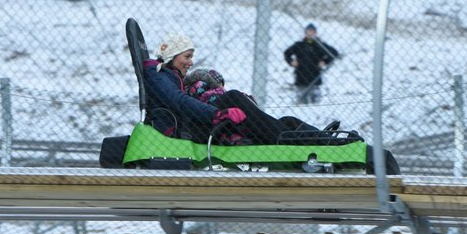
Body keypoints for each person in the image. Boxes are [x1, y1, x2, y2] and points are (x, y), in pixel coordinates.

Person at [142, 33, 329, 146]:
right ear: (172, 56)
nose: (191, 62)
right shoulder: (159, 75)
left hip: (193, 125)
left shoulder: (173, 77)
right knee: (232, 97)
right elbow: (180, 101)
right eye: (187, 56)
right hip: (184, 131)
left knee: (287, 121)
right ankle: (291, 141)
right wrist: (217, 114)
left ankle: (322, 138)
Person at [284, 23, 339, 104]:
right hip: (301, 78)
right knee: (301, 103)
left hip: (315, 77)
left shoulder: (321, 45)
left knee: (315, 103)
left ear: (315, 33)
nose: (310, 33)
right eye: (309, 31)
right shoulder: (299, 45)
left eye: (312, 32)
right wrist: (291, 62)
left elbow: (334, 53)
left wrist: (325, 61)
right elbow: (287, 53)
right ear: (305, 33)